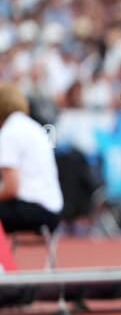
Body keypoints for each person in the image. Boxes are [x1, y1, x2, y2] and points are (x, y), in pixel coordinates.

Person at [0, 82, 64, 236]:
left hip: (34, 210)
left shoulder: (9, 132)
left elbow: (10, 188)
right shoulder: (33, 127)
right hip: (52, 210)